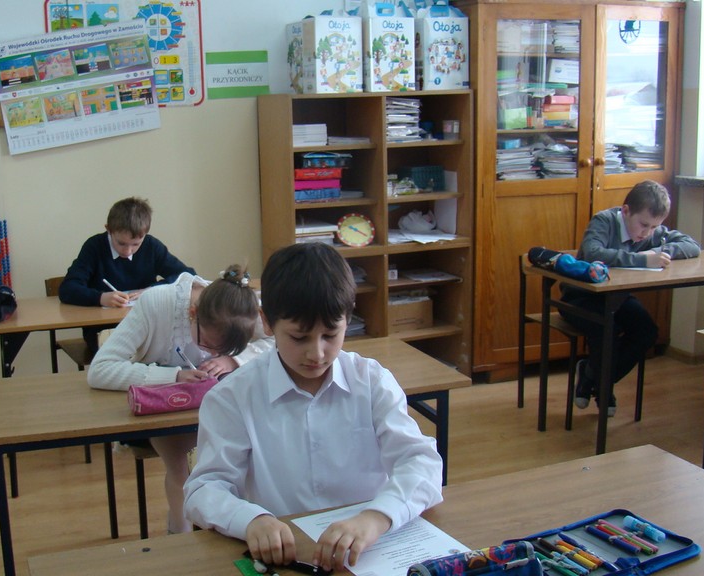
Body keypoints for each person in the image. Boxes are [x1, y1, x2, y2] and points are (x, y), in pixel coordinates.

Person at [183, 243, 443, 573]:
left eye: (331, 335)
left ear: (349, 318)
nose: (317, 354)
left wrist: (376, 518)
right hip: (289, 556)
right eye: (299, 337)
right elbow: (204, 488)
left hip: (366, 550)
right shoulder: (232, 397)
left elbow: (422, 463)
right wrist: (251, 520)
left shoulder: (371, 381)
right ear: (267, 323)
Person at [87, 266, 273, 534]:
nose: (212, 354)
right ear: (192, 314)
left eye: (222, 349)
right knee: (181, 469)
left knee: (244, 460)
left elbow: (277, 342)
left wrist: (233, 359)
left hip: (218, 405)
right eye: (208, 344)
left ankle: (236, 527)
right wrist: (174, 375)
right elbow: (100, 370)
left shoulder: (241, 308)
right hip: (168, 409)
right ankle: (181, 536)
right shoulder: (156, 304)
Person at [562, 180, 700, 416]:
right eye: (644, 225)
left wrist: (660, 252)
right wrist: (643, 259)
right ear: (626, 211)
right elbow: (593, 253)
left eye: (655, 227)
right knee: (607, 328)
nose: (647, 233)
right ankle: (604, 388)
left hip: (616, 297)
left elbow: (692, 245)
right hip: (580, 296)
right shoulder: (604, 221)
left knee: (647, 331)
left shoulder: (650, 232)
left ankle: (592, 375)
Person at [58, 196, 195, 350]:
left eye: (136, 244)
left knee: (166, 347)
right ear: (109, 229)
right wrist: (100, 298)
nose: (128, 251)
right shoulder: (94, 247)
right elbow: (68, 289)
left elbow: (188, 276)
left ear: (145, 234)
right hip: (104, 330)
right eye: (121, 243)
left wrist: (152, 290)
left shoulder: (151, 246)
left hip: (146, 327)